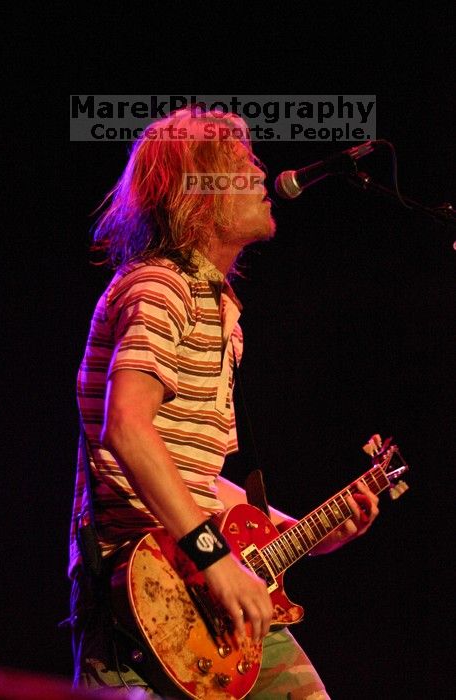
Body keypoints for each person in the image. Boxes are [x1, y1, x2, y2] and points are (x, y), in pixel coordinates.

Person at [69, 106, 379, 699]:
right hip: (144, 601)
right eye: (244, 166)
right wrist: (214, 559)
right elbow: (127, 427)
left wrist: (299, 530)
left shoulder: (222, 310)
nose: (265, 176)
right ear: (200, 195)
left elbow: (196, 477)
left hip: (204, 588)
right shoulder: (160, 285)